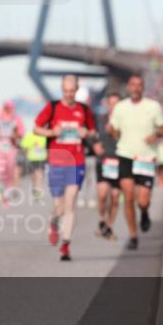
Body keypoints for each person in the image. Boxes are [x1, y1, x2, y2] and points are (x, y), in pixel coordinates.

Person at [34, 74, 97, 262]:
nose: (69, 94)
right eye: (65, 91)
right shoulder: (52, 107)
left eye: (72, 91)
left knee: (70, 203)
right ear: (62, 90)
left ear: (76, 90)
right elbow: (36, 128)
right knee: (59, 207)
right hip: (56, 162)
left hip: (76, 162)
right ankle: (54, 222)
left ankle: (65, 245)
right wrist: (51, 132)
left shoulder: (84, 110)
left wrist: (87, 133)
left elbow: (93, 132)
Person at [108, 74, 163, 250]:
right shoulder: (120, 107)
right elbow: (115, 132)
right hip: (125, 155)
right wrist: (111, 131)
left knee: (142, 201)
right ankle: (133, 236)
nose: (136, 88)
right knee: (128, 197)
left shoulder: (153, 106)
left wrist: (155, 134)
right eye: (133, 85)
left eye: (139, 85)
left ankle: (144, 212)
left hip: (145, 157)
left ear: (143, 88)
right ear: (128, 87)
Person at [93, 92, 122, 242]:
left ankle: (109, 227)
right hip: (103, 162)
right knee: (103, 194)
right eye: (111, 104)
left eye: (116, 104)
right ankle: (101, 219)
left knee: (115, 197)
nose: (113, 107)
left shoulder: (126, 122)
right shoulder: (100, 120)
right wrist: (94, 145)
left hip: (119, 162)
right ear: (107, 105)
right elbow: (91, 135)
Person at [0, 100, 24, 205]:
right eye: (6, 107)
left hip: (11, 147)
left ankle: (7, 194)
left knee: (9, 170)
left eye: (9, 107)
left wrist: (15, 135)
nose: (7, 109)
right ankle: (0, 192)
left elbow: (21, 132)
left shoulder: (17, 118)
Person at [18, 129, 48, 201]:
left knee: (39, 174)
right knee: (33, 176)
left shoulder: (45, 136)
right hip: (31, 159)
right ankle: (35, 189)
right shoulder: (29, 136)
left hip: (41, 158)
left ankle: (38, 192)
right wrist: (27, 153)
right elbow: (23, 146)